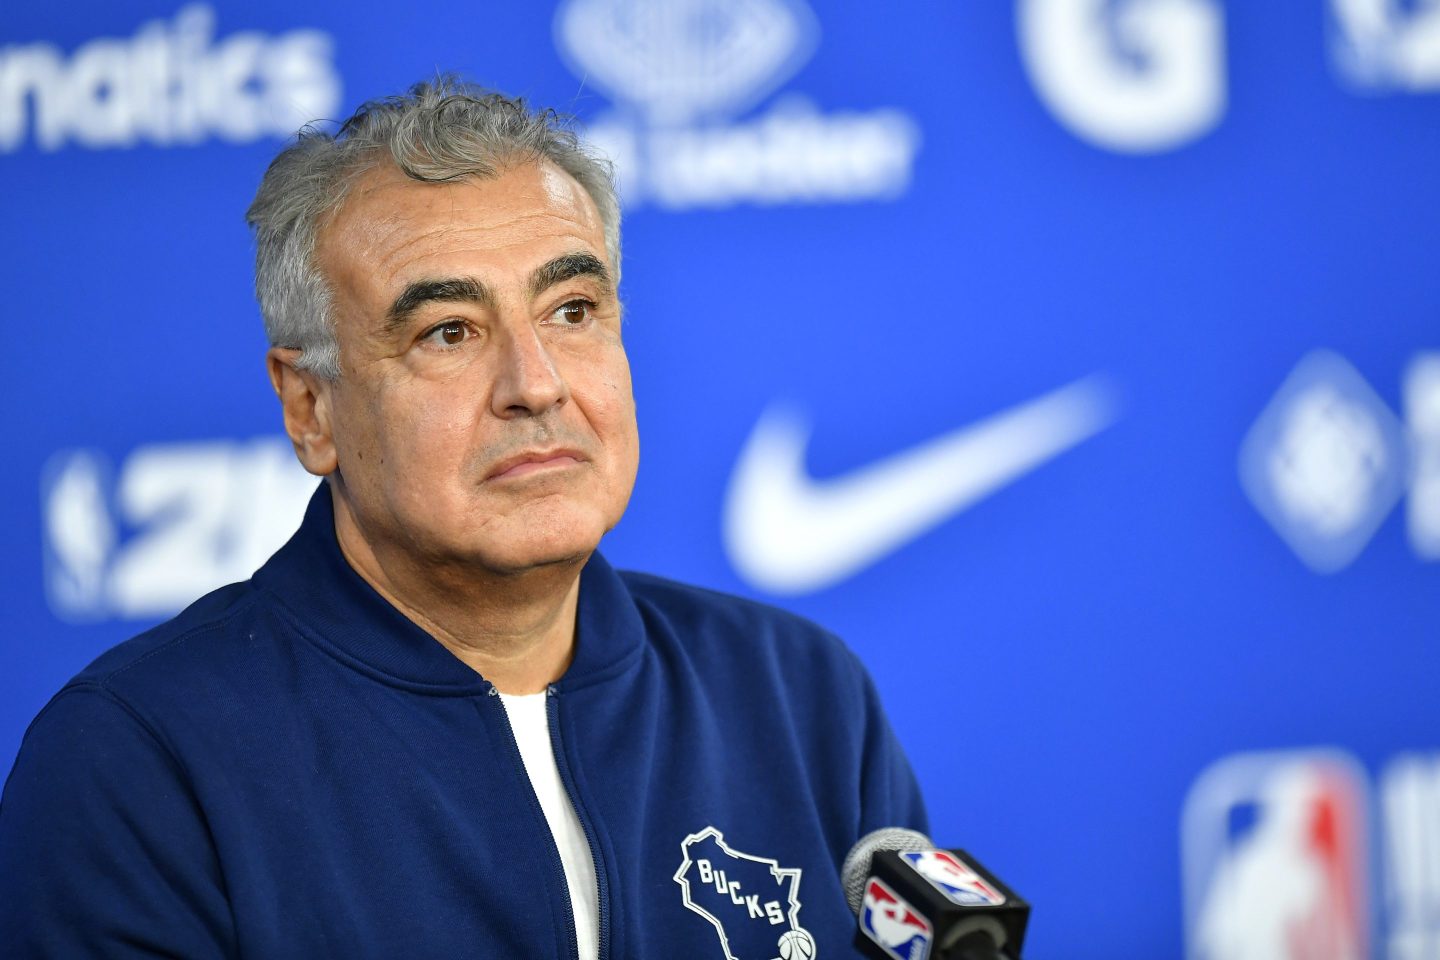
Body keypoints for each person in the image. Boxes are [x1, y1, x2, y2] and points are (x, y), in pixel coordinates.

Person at [0, 78, 926, 959]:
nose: (536, 385)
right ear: (311, 408)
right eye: (449, 331)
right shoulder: (135, 762)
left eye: (572, 310)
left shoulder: (799, 695)